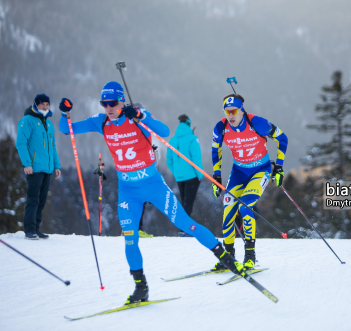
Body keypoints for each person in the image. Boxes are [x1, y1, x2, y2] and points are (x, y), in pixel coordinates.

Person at [58, 81, 244, 304]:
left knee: (186, 223)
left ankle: (224, 256)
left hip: (153, 184)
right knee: (130, 239)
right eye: (104, 103)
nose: (108, 107)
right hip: (128, 190)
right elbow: (66, 129)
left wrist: (139, 115)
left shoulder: (137, 117)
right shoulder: (102, 122)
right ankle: (140, 287)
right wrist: (65, 113)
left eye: (113, 102)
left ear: (122, 101)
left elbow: (164, 131)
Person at [211, 94, 288, 270]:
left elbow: (282, 138)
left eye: (234, 111)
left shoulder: (257, 123)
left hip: (260, 171)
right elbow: (215, 150)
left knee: (245, 207)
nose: (230, 115)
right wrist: (217, 177)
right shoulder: (221, 127)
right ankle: (228, 257)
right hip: (238, 173)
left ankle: (250, 256)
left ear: (242, 110)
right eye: (227, 111)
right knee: (228, 209)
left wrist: (279, 166)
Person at [16, 94, 61, 240]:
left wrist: (56, 165)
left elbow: (52, 146)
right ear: (36, 105)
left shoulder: (48, 124)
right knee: (33, 199)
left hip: (47, 168)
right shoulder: (27, 121)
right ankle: (29, 230)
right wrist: (27, 164)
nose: (45, 107)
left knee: (42, 200)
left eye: (47, 104)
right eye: (42, 104)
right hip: (34, 168)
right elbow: (21, 144)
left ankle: (36, 228)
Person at [167, 114, 203, 237]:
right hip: (192, 176)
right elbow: (196, 158)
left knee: (184, 202)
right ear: (189, 124)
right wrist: (200, 175)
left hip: (179, 177)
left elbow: (169, 161)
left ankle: (183, 227)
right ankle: (185, 229)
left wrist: (176, 173)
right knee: (189, 202)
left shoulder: (172, 140)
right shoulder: (192, 139)